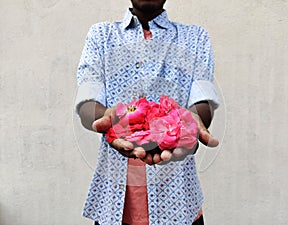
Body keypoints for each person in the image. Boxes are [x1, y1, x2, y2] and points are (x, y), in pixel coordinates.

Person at [75, 0, 220, 224]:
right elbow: (87, 100)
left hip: (179, 204)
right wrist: (109, 120)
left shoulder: (195, 38)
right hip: (114, 207)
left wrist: (190, 124)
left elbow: (203, 101)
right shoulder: (102, 35)